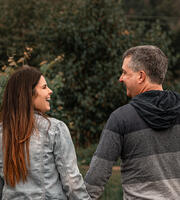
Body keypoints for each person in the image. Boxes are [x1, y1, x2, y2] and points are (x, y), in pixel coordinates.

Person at [84, 45, 180, 199]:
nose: (120, 78)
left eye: (124, 72)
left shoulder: (121, 118)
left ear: (141, 76)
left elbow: (96, 176)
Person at [0, 65, 91, 200]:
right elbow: (72, 182)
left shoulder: (2, 132)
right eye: (44, 87)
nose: (50, 91)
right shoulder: (54, 129)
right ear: (28, 94)